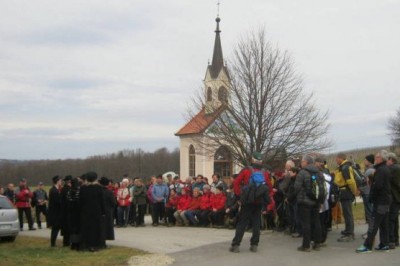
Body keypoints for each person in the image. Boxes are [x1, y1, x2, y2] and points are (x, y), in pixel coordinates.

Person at [230, 151, 273, 253]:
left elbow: (236, 183)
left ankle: (236, 245)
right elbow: (269, 188)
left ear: (252, 160)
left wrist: (239, 195)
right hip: (259, 201)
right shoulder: (265, 172)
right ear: (261, 161)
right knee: (256, 222)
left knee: (242, 222)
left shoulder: (246, 170)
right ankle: (254, 245)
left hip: (247, 200)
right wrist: (265, 197)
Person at [356, 150, 392, 253]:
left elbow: (378, 186)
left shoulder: (381, 170)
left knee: (374, 223)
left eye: (377, 157)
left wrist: (372, 195)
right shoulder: (384, 169)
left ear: (382, 159)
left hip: (380, 201)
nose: (375, 159)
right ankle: (384, 244)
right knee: (384, 223)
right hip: (385, 200)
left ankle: (367, 245)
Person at [293, 155, 323, 252]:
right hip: (316, 200)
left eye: (302, 161)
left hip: (305, 202)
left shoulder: (302, 173)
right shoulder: (319, 172)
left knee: (306, 223)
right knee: (316, 222)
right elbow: (322, 188)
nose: (301, 163)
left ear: (306, 162)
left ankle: (306, 245)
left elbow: (296, 188)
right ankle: (317, 243)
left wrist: (292, 196)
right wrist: (320, 201)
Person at [79, 171, 106, 252]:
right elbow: (102, 201)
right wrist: (103, 212)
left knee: (86, 228)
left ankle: (85, 244)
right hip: (96, 211)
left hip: (85, 211)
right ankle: (95, 245)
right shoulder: (99, 188)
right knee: (95, 228)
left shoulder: (83, 188)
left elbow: (80, 201)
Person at [334, 152, 357, 242]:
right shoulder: (343, 167)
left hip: (346, 192)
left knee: (348, 213)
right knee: (346, 213)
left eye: (337, 158)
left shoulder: (345, 168)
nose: (336, 160)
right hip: (343, 192)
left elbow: (350, 181)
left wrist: (354, 191)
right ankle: (348, 230)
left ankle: (350, 233)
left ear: (341, 158)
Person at [387, 152, 400, 249]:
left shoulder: (393, 169)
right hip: (396, 197)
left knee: (391, 219)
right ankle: (395, 239)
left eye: (387, 159)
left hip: (394, 197)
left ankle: (391, 240)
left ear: (391, 159)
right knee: (394, 219)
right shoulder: (397, 168)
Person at [99, 177, 116, 244]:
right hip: (108, 211)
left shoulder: (99, 191)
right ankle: (105, 240)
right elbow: (113, 203)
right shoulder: (109, 192)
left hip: (99, 211)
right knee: (107, 226)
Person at [48, 176, 62, 247]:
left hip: (55, 212)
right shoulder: (54, 191)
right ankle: (53, 243)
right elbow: (57, 202)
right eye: (60, 180)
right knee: (55, 228)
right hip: (55, 213)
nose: (61, 182)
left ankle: (53, 243)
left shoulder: (55, 189)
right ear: (57, 181)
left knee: (55, 228)